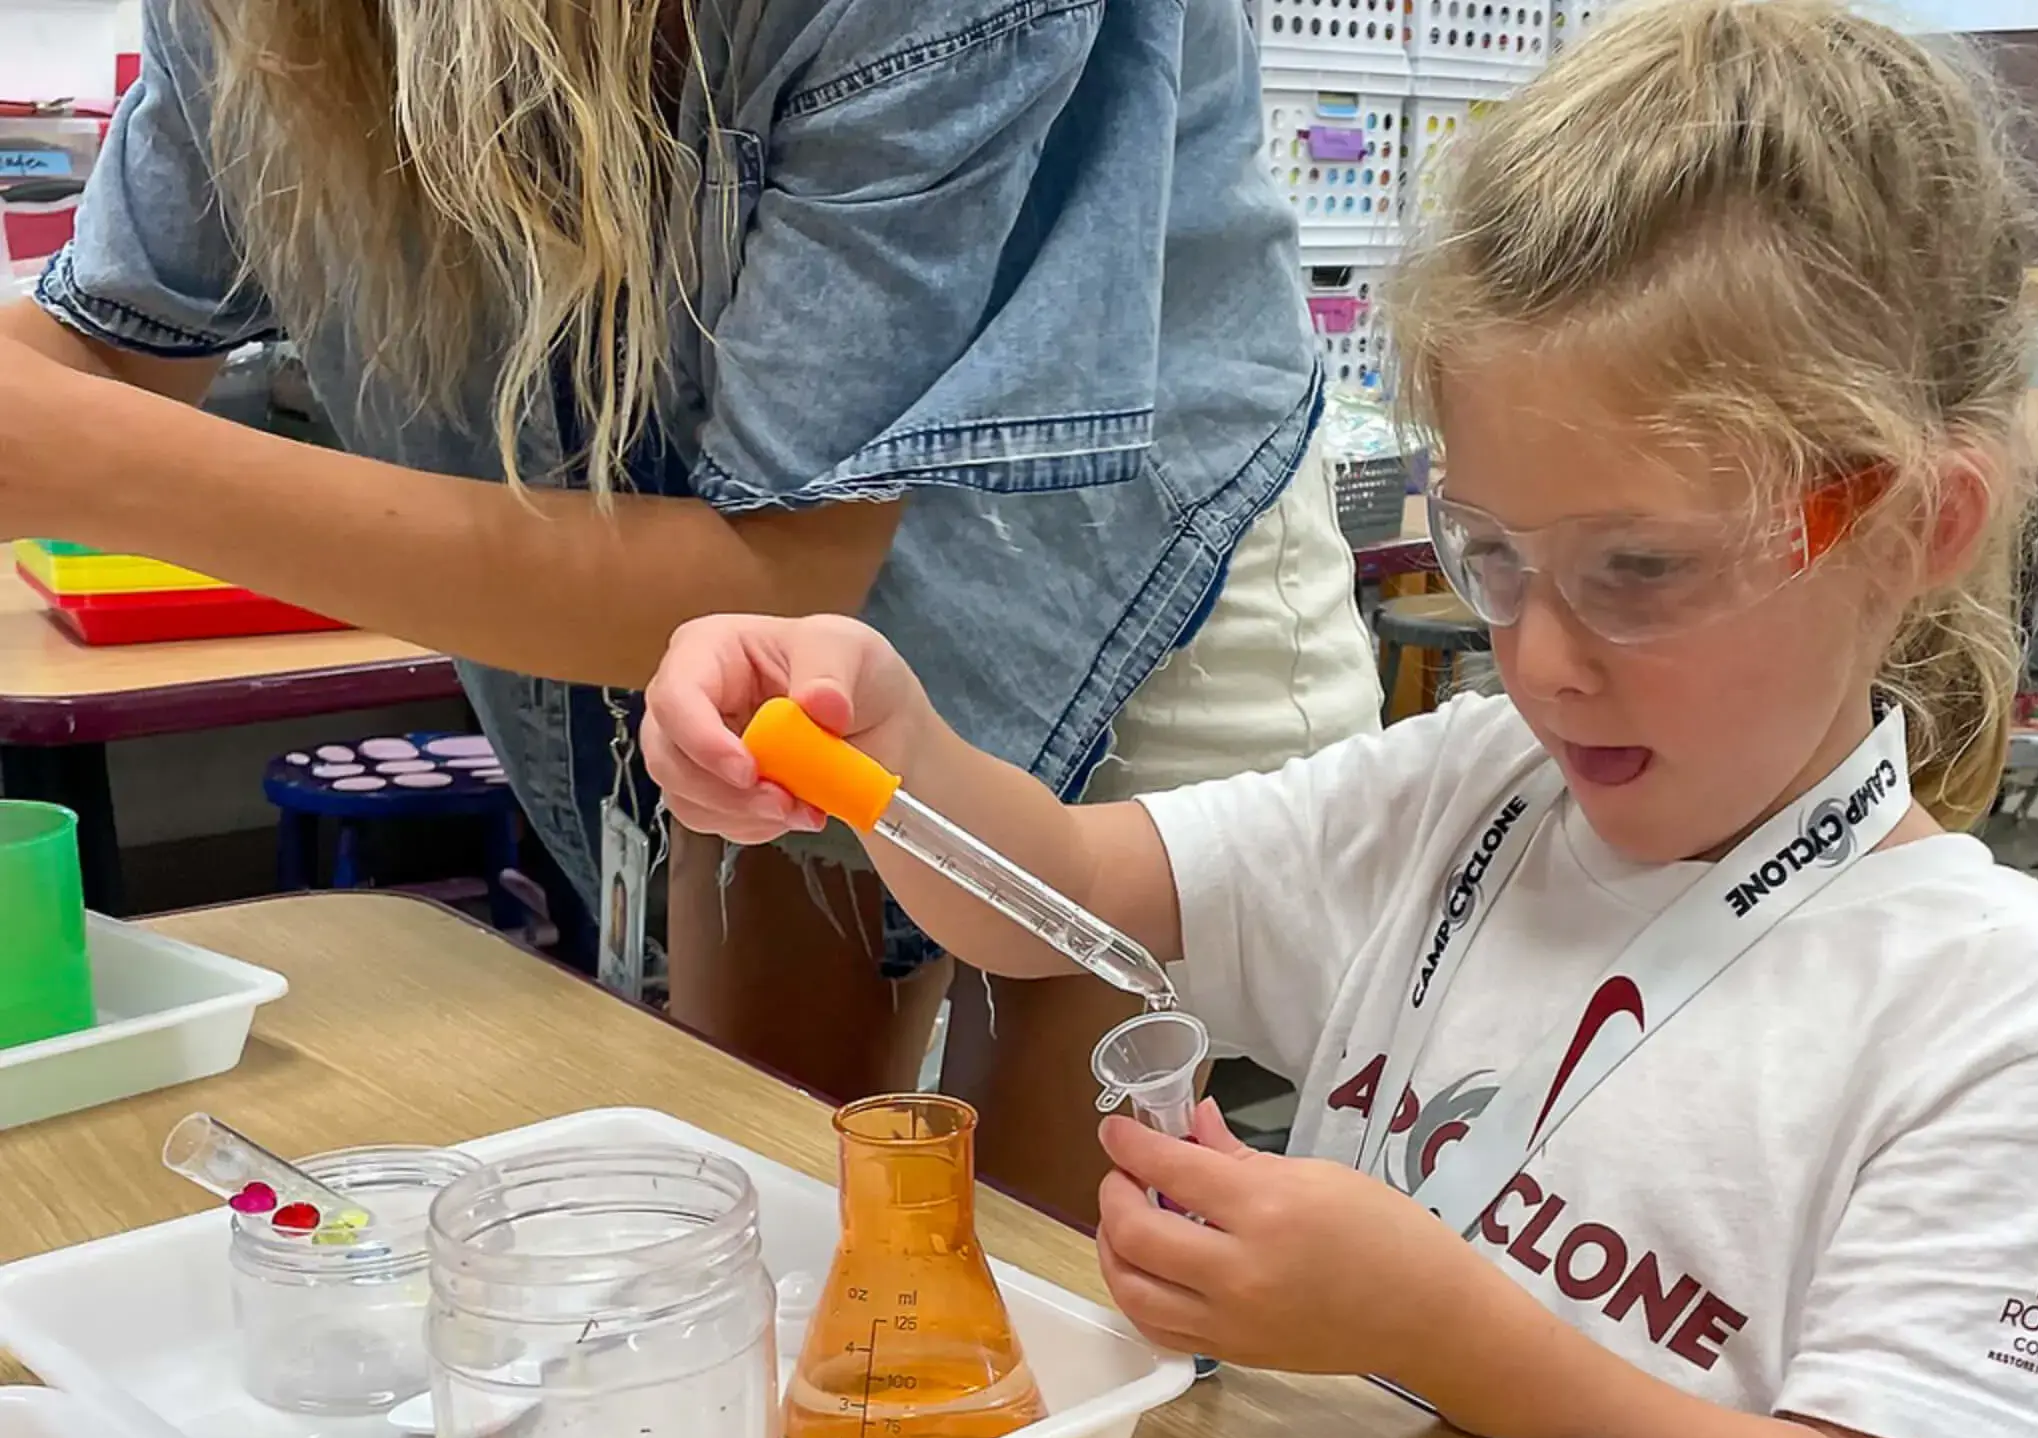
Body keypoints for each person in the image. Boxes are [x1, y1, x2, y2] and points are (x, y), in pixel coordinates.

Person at [641, 2, 2038, 1438]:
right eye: (1493, 555)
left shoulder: (1987, 1000)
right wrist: (889, 748)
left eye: (1638, 569)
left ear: (1917, 523)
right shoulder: (1459, 790)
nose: (1544, 661)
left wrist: (1457, 1340)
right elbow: (1057, 886)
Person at [0, 0, 1378, 1211]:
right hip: (729, 632)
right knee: (754, 1217)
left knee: (1055, 1309)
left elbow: (772, 563)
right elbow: (103, 353)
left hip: (1108, 577)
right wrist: (72, 433)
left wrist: (100, 464)